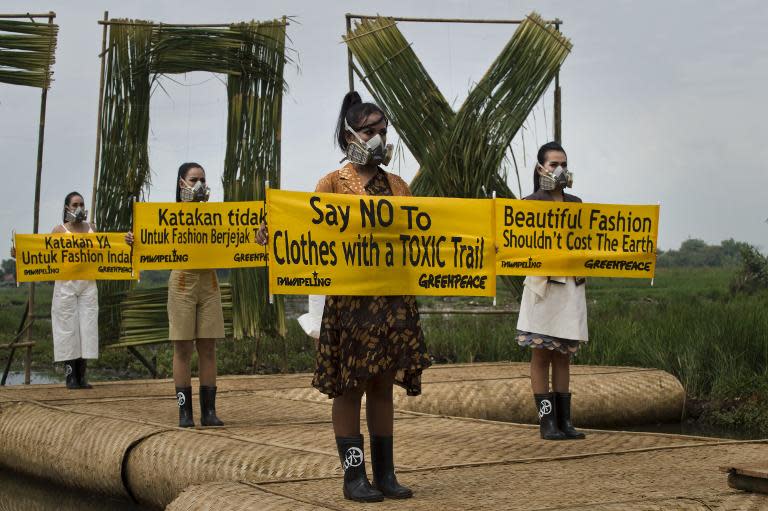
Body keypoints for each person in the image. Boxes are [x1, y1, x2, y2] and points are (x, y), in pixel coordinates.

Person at [257, 92, 431, 502]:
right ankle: (354, 477)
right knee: (349, 387)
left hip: (390, 300)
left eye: (383, 131)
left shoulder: (400, 187)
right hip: (348, 302)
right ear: (350, 135)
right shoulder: (332, 184)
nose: (378, 139)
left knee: (383, 386)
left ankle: (386, 474)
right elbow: (309, 237)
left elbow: (422, 237)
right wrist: (274, 234)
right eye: (370, 131)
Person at [126, 163, 224, 428]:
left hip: (209, 280)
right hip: (182, 279)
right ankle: (185, 413)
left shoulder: (218, 215)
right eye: (194, 179)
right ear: (181, 183)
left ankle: (209, 411)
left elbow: (236, 236)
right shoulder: (166, 215)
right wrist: (134, 240)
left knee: (208, 347)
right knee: (182, 347)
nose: (200, 184)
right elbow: (149, 239)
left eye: (203, 179)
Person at [516, 142, 587, 440]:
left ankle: (564, 422)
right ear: (540, 168)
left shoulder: (576, 203)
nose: (559, 169)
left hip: (570, 285)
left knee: (563, 356)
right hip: (541, 286)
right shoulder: (528, 203)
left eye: (563, 164)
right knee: (541, 354)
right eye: (554, 164)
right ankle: (546, 423)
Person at [48, 192, 99, 389]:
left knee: (87, 327)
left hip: (88, 285)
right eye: (75, 204)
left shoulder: (92, 228)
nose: (79, 207)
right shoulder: (59, 230)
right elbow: (43, 253)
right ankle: (70, 376)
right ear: (67, 208)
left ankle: (82, 375)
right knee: (67, 328)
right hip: (65, 285)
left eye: (82, 204)